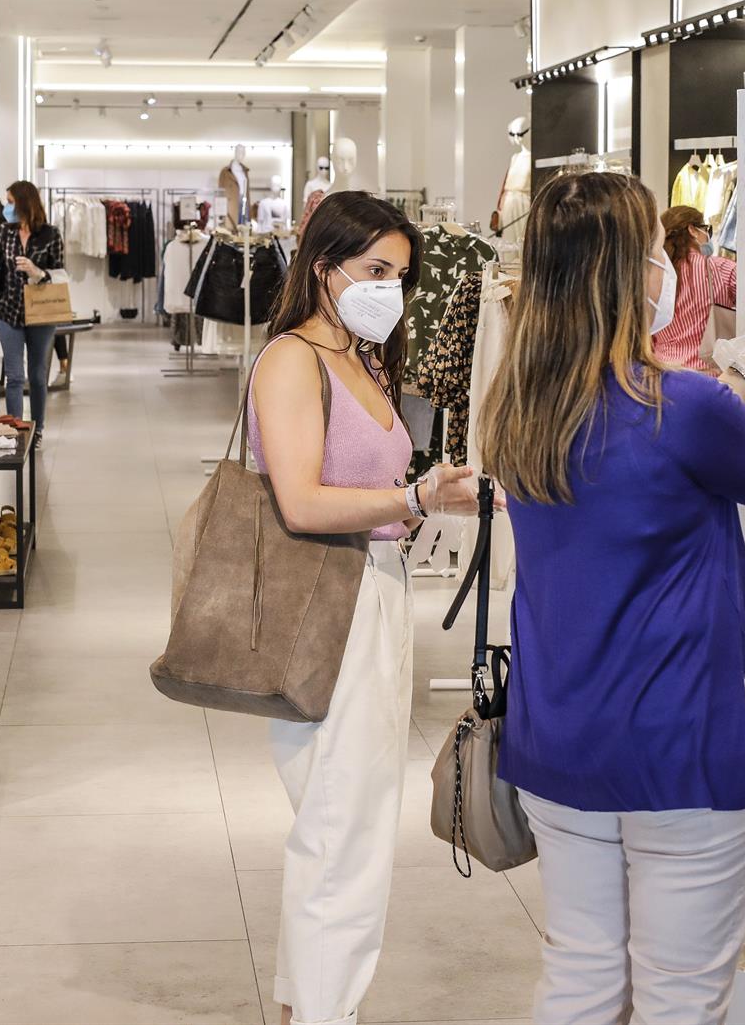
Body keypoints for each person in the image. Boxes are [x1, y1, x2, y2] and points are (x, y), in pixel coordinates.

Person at [478, 171, 745, 1024]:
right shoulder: (678, 406)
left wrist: (743, 375)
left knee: (580, 977)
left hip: (557, 735)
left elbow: (652, 451)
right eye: (659, 254)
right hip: (678, 741)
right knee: (681, 999)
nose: (669, 271)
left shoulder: (516, 407)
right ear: (630, 275)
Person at [247, 190, 480, 1025]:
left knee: (352, 818)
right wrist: (408, 496)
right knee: (340, 825)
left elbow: (376, 491)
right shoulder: (289, 361)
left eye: (401, 276)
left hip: (373, 594)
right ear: (323, 267)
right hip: (324, 598)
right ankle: (322, 1013)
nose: (391, 289)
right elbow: (303, 503)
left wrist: (426, 497)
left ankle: (309, 1004)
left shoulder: (366, 358)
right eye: (376, 271)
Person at [0, 180, 64, 428]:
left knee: (36, 376)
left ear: (25, 203)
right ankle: (16, 431)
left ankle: (37, 429)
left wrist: (37, 272)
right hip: (8, 311)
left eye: (11, 202)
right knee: (14, 376)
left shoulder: (50, 234)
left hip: (41, 313)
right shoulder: (5, 232)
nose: (7, 208)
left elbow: (61, 275)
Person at [651, 203, 738, 372]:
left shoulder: (653, 274)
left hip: (664, 375)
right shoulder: (720, 269)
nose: (708, 236)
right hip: (710, 377)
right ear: (692, 230)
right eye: (706, 230)